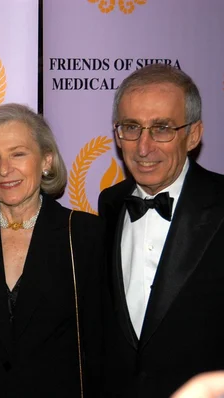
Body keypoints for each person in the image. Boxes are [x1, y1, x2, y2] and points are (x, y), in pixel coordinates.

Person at [0, 103, 104, 397]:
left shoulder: (82, 233)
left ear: (46, 161)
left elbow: (99, 343)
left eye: (18, 154)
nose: (5, 170)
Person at [99, 64, 224, 397]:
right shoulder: (109, 205)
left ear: (193, 135)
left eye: (162, 128)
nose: (143, 147)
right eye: (131, 127)